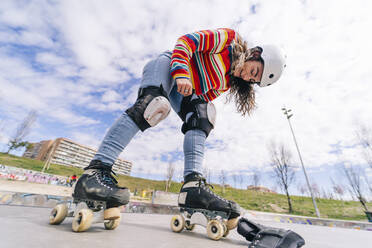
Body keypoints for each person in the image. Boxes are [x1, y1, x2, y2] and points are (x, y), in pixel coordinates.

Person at [73, 28, 286, 217]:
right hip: (167, 64)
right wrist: (182, 73)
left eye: (252, 80)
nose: (247, 77)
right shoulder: (229, 40)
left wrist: (194, 110)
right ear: (255, 54)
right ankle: (95, 172)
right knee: (151, 105)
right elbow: (186, 42)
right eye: (254, 71)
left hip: (183, 88)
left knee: (202, 117)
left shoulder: (227, 82)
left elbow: (201, 99)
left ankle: (193, 188)